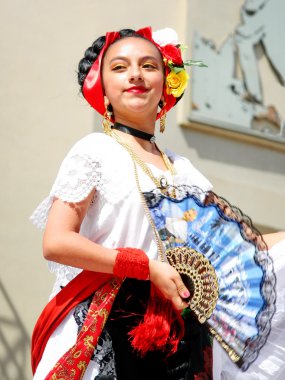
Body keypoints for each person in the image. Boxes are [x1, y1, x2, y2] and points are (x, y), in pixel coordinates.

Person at [30, 26, 285, 380]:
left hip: (177, 337)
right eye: (120, 67)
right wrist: (145, 267)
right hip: (111, 323)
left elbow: (240, 247)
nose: (135, 73)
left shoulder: (186, 170)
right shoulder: (95, 151)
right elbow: (57, 242)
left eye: (148, 65)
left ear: (165, 85)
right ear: (102, 90)